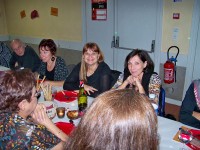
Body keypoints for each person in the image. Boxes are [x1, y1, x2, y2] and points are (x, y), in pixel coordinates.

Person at [65, 89, 158, 150]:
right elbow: (114, 92)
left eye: (136, 63)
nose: (132, 67)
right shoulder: (124, 75)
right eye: (129, 63)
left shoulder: (153, 78)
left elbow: (154, 103)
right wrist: (126, 82)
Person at [0, 69, 67, 149]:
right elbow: (70, 145)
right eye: (35, 94)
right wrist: (46, 121)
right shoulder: (34, 133)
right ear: (23, 104)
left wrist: (30, 111)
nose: (37, 97)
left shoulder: (3, 115)